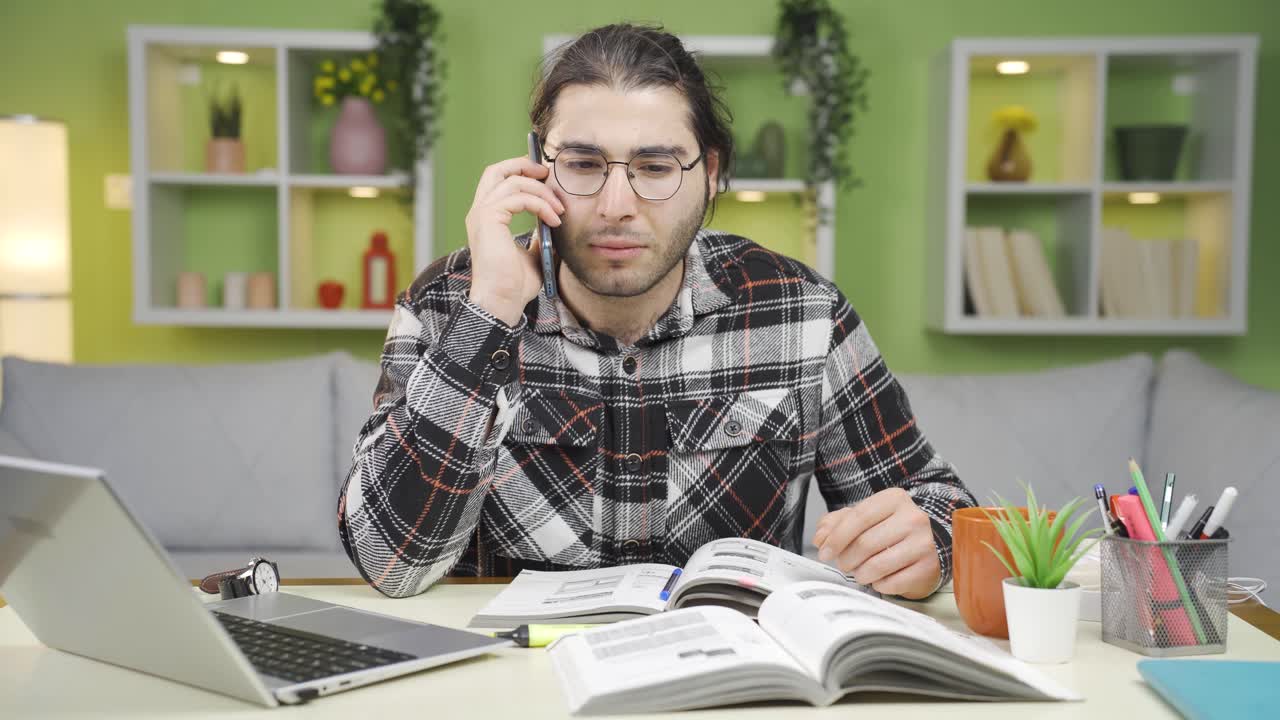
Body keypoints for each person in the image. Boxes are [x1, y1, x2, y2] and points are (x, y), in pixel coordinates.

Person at [338, 23, 975, 600]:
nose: (618, 202)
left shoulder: (803, 314)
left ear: (710, 173)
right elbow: (390, 562)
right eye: (584, 164)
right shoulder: (450, 305)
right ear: (537, 169)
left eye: (656, 166)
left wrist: (930, 541)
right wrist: (492, 312)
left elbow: (944, 505)